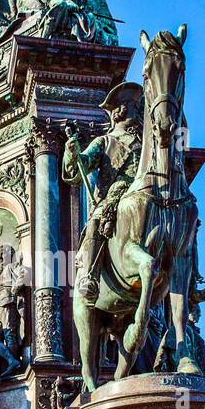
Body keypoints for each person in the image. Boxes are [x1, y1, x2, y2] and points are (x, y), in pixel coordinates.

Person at [63, 82, 144, 305]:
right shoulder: (105, 142)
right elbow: (80, 167)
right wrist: (73, 153)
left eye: (137, 106)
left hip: (144, 194)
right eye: (133, 106)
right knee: (96, 222)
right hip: (113, 198)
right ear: (119, 111)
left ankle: (192, 279)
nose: (138, 110)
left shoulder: (146, 145)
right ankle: (89, 276)